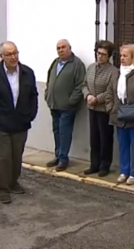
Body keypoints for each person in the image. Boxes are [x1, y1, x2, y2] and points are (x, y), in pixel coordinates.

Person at [0, 41, 38, 204]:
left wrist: (31, 114)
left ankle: (12, 182)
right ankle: (1, 188)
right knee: (2, 157)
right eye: (9, 54)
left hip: (21, 122)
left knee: (16, 155)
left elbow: (33, 95)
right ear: (1, 56)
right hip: (0, 122)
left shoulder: (27, 72)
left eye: (15, 53)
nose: (13, 57)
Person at [105, 44, 134, 185]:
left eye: (125, 56)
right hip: (119, 115)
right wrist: (110, 108)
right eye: (121, 55)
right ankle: (124, 171)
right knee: (123, 145)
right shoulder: (117, 73)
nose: (122, 58)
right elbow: (109, 92)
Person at [45, 39, 86, 171]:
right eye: (58, 48)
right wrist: (47, 94)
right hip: (54, 104)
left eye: (63, 47)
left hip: (67, 107)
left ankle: (63, 159)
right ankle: (57, 155)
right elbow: (49, 79)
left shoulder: (77, 64)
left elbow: (80, 85)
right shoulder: (55, 62)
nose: (61, 50)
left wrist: (71, 101)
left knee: (64, 133)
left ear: (70, 48)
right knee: (56, 131)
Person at [82, 40, 118, 177]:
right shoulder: (91, 68)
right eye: (98, 53)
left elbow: (111, 90)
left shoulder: (113, 71)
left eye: (103, 54)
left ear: (108, 56)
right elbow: (84, 84)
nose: (100, 56)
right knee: (94, 138)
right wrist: (88, 95)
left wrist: (98, 98)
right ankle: (94, 164)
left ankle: (104, 165)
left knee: (105, 138)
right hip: (92, 108)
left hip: (104, 109)